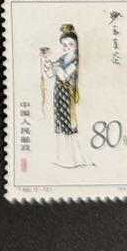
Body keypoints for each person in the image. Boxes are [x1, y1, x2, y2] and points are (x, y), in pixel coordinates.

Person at [40, 24, 91, 167]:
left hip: (68, 94)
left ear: (76, 45)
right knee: (59, 123)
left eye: (70, 44)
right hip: (58, 93)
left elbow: (63, 76)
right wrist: (47, 61)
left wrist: (54, 67)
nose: (67, 47)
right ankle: (61, 157)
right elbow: (51, 74)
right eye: (65, 45)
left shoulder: (76, 60)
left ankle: (73, 159)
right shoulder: (62, 58)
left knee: (68, 125)